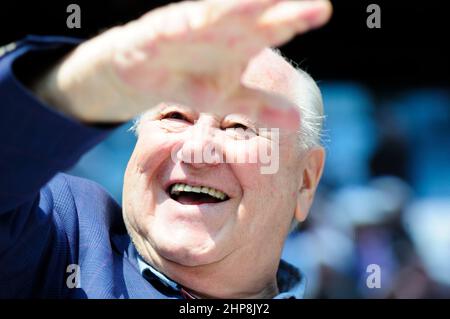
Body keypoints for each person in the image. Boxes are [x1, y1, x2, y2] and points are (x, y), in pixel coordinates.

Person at [0, 0, 332, 298]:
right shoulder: (61, 235)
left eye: (238, 127)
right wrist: (87, 85)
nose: (196, 148)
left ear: (305, 181)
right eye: (175, 116)